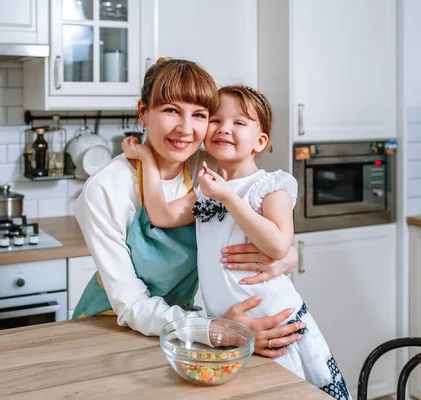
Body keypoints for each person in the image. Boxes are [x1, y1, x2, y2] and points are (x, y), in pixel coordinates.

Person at [123, 84, 351, 399]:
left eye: (239, 122)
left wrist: (229, 197)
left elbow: (278, 245)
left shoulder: (271, 186)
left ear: (260, 141)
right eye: (215, 120)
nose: (224, 129)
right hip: (234, 329)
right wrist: (147, 158)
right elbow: (161, 215)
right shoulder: (207, 188)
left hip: (275, 323)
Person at [72, 58, 305, 359]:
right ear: (143, 113)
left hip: (183, 327)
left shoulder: (207, 170)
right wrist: (214, 330)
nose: (185, 129)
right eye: (171, 110)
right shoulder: (105, 189)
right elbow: (130, 304)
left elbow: (259, 225)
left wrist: (286, 257)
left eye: (199, 115)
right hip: (113, 327)